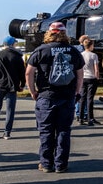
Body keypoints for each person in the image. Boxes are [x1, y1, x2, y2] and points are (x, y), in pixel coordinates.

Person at [25, 22, 84, 173]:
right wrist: (77, 92)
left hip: (46, 96)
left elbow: (29, 73)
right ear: (65, 33)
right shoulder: (73, 51)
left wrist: (33, 91)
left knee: (46, 131)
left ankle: (45, 164)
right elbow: (79, 74)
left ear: (49, 33)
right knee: (64, 131)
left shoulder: (41, 50)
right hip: (67, 96)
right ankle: (61, 164)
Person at [0, 36, 26, 139]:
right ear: (13, 44)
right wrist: (22, 84)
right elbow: (22, 72)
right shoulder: (17, 56)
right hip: (12, 85)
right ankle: (7, 132)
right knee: (10, 109)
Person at [79, 39, 99, 126]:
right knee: (90, 98)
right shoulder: (94, 55)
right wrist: (97, 76)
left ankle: (81, 117)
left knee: (82, 98)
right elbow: (96, 68)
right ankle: (90, 118)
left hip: (83, 77)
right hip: (91, 77)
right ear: (91, 46)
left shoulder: (81, 55)